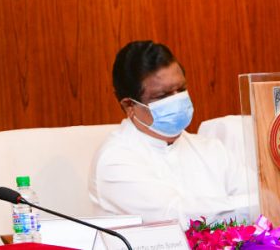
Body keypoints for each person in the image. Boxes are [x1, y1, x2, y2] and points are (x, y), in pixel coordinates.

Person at [89, 41, 250, 226]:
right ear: (129, 105)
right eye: (162, 96)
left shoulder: (210, 148)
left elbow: (264, 198)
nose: (177, 100)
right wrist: (252, 204)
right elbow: (176, 217)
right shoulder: (114, 159)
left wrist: (259, 202)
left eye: (181, 89)